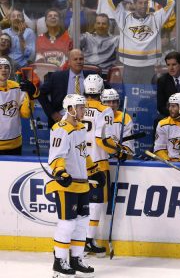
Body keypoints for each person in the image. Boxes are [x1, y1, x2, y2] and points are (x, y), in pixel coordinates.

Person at [46, 94, 104, 277]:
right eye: (80, 107)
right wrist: (60, 172)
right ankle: (60, 262)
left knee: (82, 224)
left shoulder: (80, 127)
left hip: (82, 184)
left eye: (83, 107)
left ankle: (76, 259)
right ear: (70, 108)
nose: (83, 110)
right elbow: (56, 156)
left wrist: (94, 170)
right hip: (66, 185)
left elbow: (83, 154)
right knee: (67, 224)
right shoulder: (61, 129)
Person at [82, 74, 129, 257]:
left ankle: (78, 243)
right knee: (97, 203)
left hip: (78, 163)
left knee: (78, 204)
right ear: (101, 90)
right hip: (98, 163)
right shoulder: (105, 110)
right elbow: (103, 140)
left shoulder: (74, 106)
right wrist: (119, 150)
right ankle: (88, 241)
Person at [109, 0, 175, 83]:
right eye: (140, 3)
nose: (143, 6)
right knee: (129, 97)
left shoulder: (155, 18)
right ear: (134, 4)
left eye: (145, 3)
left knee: (148, 96)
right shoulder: (124, 17)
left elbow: (171, 3)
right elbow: (111, 0)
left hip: (149, 66)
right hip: (129, 66)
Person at [38, 49, 97, 128]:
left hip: (87, 120)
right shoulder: (57, 77)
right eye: (75, 59)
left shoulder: (93, 76)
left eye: (81, 59)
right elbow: (40, 93)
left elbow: (105, 92)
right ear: (69, 62)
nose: (78, 61)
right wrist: (53, 114)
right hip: (62, 120)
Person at [0, 58, 37, 155]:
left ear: (10, 70)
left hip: (15, 144)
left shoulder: (16, 87)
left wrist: (30, 96)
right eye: (0, 67)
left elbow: (25, 114)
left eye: (6, 67)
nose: (3, 70)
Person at [101, 88, 134, 154]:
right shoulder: (98, 117)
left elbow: (128, 145)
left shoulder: (124, 118)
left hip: (118, 161)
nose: (111, 105)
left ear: (118, 103)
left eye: (114, 102)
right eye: (108, 102)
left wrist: (122, 152)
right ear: (102, 103)